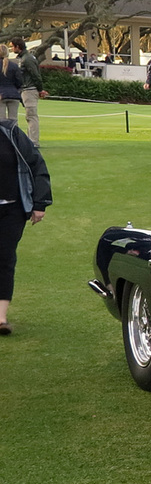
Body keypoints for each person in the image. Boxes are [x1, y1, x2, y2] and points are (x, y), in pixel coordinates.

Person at [0, 116, 52, 335]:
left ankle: (0, 318)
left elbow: (36, 164)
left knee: (5, 258)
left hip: (11, 209)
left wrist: (40, 203)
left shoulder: (10, 133)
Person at [8, 38, 47, 146]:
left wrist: (40, 89)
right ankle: (31, 140)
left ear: (17, 47)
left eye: (12, 46)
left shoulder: (27, 59)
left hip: (29, 89)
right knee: (29, 116)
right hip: (26, 89)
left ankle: (33, 141)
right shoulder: (23, 58)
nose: (11, 48)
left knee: (31, 115)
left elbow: (35, 75)